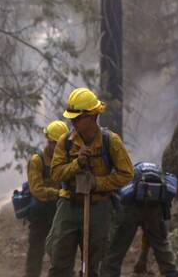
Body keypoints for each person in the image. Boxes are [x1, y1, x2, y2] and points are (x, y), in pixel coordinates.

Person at [47, 87, 134, 277]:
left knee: (96, 266)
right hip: (69, 206)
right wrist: (77, 164)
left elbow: (126, 174)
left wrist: (97, 183)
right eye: (71, 117)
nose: (72, 121)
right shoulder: (65, 141)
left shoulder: (110, 141)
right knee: (58, 263)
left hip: (98, 208)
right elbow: (56, 173)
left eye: (77, 118)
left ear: (92, 116)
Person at [100, 162, 178, 277]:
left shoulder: (129, 174)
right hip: (156, 208)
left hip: (132, 209)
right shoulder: (158, 175)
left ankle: (109, 274)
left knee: (117, 247)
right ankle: (172, 272)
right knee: (161, 243)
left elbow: (119, 197)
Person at [25, 120, 69, 277]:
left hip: (60, 212)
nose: (59, 147)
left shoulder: (65, 160)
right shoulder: (37, 161)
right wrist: (57, 193)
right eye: (56, 143)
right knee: (36, 251)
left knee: (60, 252)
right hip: (40, 213)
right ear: (49, 141)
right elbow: (36, 189)